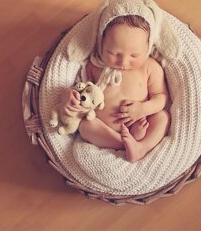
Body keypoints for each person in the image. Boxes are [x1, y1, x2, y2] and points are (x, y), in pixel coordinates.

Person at [61, 15, 170, 162]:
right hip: (104, 130)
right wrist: (70, 97)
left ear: (147, 48)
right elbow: (81, 88)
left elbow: (161, 96)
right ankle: (125, 143)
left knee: (162, 117)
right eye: (114, 53)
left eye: (134, 55)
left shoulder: (150, 67)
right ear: (101, 44)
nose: (123, 62)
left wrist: (143, 109)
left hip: (141, 123)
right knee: (85, 125)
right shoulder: (94, 66)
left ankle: (142, 147)